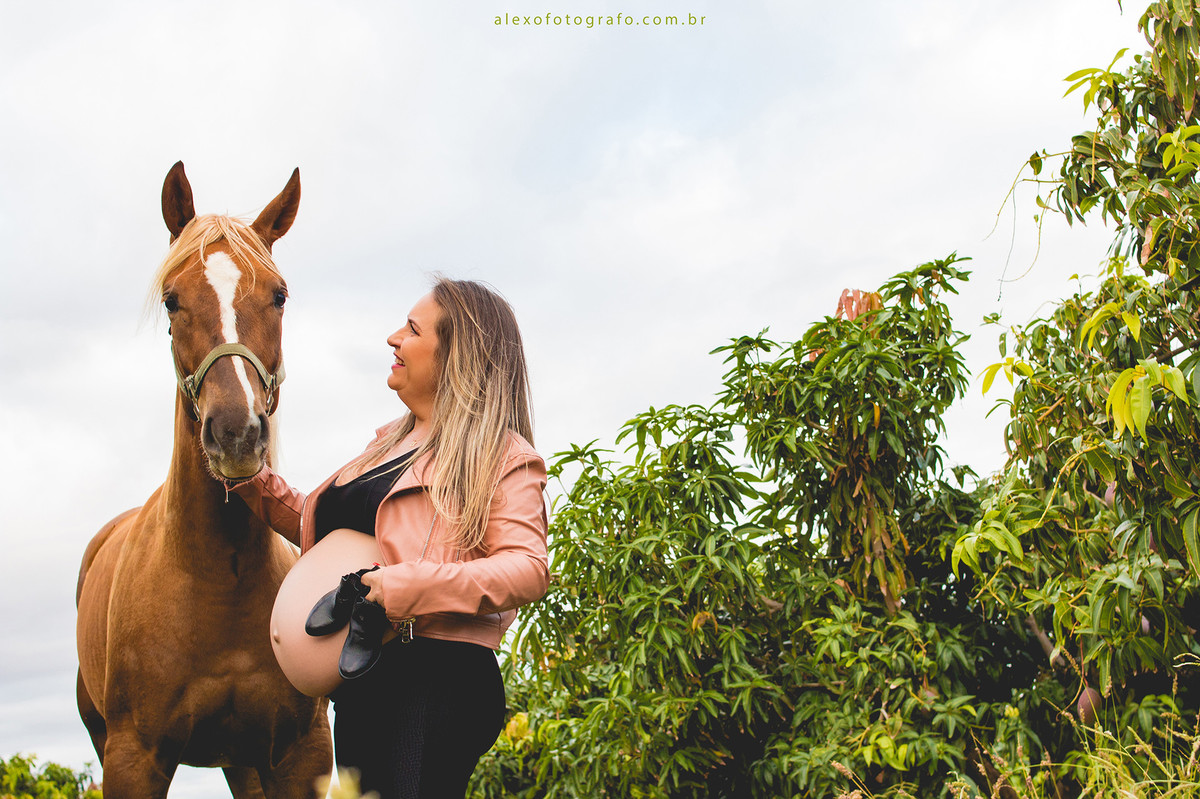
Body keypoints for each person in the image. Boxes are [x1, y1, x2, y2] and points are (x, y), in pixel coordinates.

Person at [232, 277, 550, 799]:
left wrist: (404, 587)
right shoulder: (388, 444)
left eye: (412, 328)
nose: (392, 338)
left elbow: (527, 567)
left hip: (431, 678)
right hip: (369, 682)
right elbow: (314, 521)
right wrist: (249, 478)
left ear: (456, 354)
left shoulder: (503, 455)